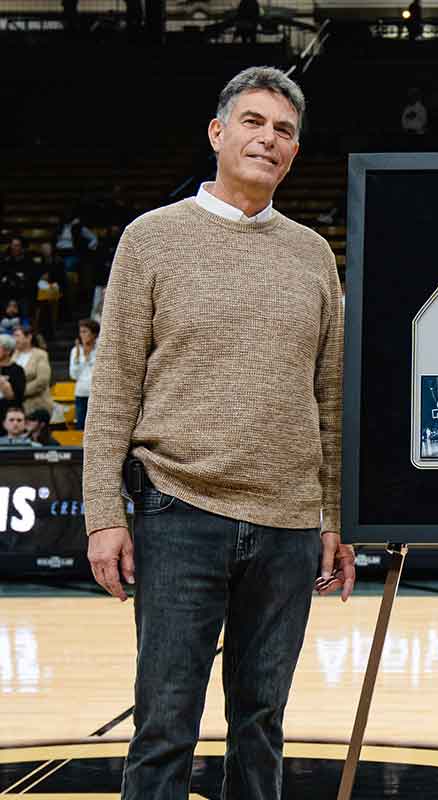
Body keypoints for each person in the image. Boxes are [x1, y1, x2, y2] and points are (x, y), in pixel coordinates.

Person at [82, 66, 355, 800]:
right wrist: (104, 516)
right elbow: (111, 390)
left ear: (295, 152)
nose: (268, 140)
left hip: (290, 523)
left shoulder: (314, 255)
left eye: (285, 131)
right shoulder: (152, 240)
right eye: (254, 122)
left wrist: (334, 519)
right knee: (165, 723)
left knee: (262, 723)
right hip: (179, 510)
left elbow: (330, 400)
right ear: (217, 132)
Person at [13, 325, 53, 416]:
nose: (14, 339)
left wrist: (19, 392)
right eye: (13, 336)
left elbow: (42, 381)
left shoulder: (41, 355)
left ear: (28, 337)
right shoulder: (14, 355)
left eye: (17, 336)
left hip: (37, 404)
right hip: (18, 406)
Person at [70, 318, 98, 429]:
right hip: (81, 394)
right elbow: (73, 375)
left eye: (85, 331)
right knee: (81, 427)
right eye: (81, 332)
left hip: (96, 393)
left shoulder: (101, 349)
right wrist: (79, 357)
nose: (82, 335)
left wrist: (89, 356)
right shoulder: (75, 351)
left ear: (94, 334)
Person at [0, 334, 27, 421]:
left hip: (9, 415)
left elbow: (17, 398)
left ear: (8, 351)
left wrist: (4, 384)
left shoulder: (17, 370)